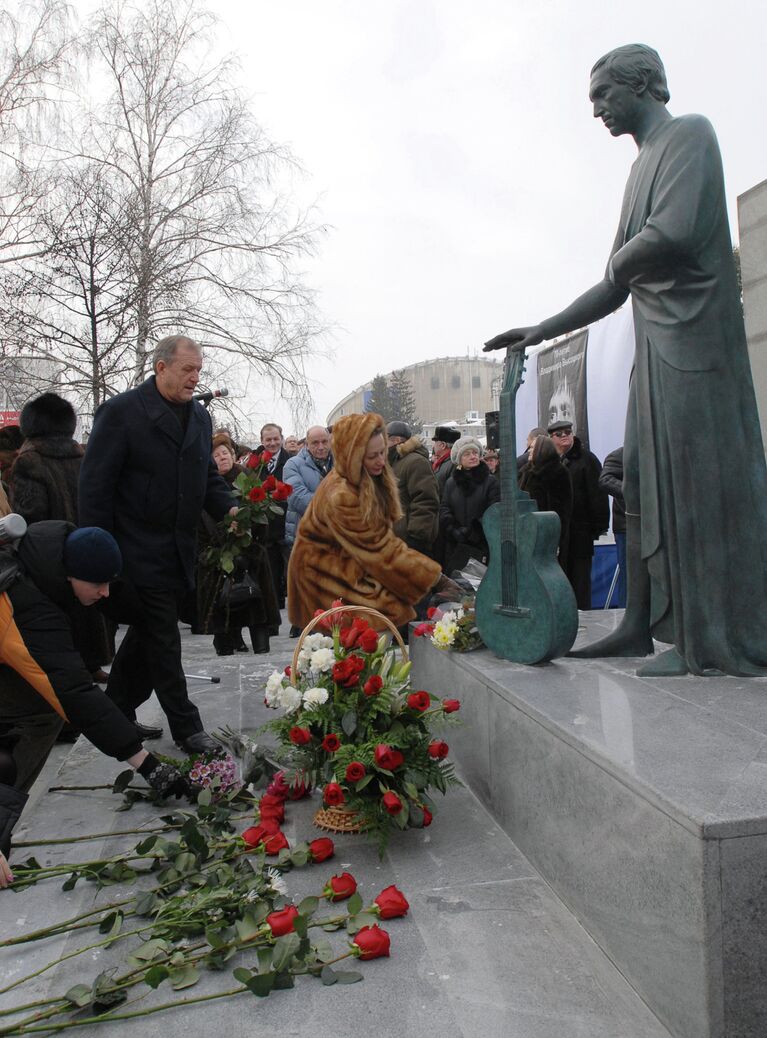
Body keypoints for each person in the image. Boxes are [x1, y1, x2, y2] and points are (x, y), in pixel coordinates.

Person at [486, 44, 767, 677]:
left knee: (694, 488)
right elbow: (615, 285)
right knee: (639, 487)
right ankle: (639, 625)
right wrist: (540, 328)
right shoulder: (636, 170)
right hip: (655, 354)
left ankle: (708, 641)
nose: (598, 112)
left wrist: (619, 262)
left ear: (642, 86)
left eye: (603, 96)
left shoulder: (691, 136)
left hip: (696, 353)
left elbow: (671, 234)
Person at [0, 522, 188, 887]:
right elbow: (72, 692)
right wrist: (146, 764)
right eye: (98, 584)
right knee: (40, 715)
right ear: (72, 574)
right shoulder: (26, 601)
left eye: (109, 583)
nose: (104, 593)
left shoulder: (45, 560)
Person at [78, 335, 236, 750]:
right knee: (164, 638)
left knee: (149, 636)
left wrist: (233, 510)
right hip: (132, 550)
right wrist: (98, 556)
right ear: (161, 367)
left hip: (179, 551)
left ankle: (114, 714)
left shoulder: (200, 419)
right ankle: (188, 728)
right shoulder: (122, 412)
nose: (195, 378)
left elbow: (206, 478)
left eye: (199, 370)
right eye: (187, 370)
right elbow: (95, 488)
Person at [287, 412, 457, 630]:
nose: (380, 461)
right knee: (375, 628)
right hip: (325, 578)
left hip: (348, 568)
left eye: (382, 453)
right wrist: (437, 579)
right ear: (354, 456)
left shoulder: (362, 477)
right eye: (372, 456)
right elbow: (379, 549)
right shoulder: (342, 494)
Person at [11, 392, 113, 684]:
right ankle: (92, 663)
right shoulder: (83, 456)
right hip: (89, 549)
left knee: (58, 622)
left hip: (51, 557)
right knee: (90, 610)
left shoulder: (28, 461)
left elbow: (29, 516)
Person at [196, 433, 279, 655]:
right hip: (217, 557)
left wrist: (248, 532)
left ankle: (260, 641)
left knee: (257, 606)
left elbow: (263, 522)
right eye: (216, 455)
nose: (222, 458)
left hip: (251, 555)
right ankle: (227, 641)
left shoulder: (249, 481)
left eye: (226, 453)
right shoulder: (203, 487)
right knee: (222, 608)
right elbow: (199, 527)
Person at [547, 419, 608, 609]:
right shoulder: (550, 461)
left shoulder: (586, 460)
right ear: (551, 438)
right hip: (557, 534)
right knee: (560, 580)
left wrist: (598, 527)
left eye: (567, 432)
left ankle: (583, 617)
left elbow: (598, 495)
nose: (564, 436)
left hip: (580, 531)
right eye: (559, 434)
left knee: (580, 581)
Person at [283, 426, 333, 637]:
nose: (321, 447)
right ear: (307, 443)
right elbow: (297, 497)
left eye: (324, 442)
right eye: (315, 443)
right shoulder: (293, 464)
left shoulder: (341, 462)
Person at [439, 436, 500, 574]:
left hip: (483, 545)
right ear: (459, 459)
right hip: (456, 546)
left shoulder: (490, 482)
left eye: (475, 453)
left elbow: (493, 511)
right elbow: (444, 509)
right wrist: (453, 529)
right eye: (467, 454)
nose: (472, 456)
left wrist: (474, 532)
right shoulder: (451, 483)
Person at [386, 421, 440, 557]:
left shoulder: (415, 462)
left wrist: (416, 538)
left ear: (396, 440)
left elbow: (426, 501)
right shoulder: (392, 464)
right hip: (394, 542)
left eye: (385, 439)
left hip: (410, 543)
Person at [519, 434, 573, 566]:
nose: (529, 451)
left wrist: (555, 538)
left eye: (532, 448)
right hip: (526, 531)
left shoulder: (558, 472)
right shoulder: (526, 471)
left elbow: (562, 509)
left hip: (546, 533)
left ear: (542, 450)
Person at [254, 423, 291, 609]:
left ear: (281, 439)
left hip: (286, 524)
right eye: (268, 440)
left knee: (290, 573)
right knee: (271, 572)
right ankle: (273, 615)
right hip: (266, 528)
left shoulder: (291, 461)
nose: (272, 443)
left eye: (276, 439)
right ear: (262, 441)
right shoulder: (255, 464)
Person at [599, 447, 626, 607]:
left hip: (656, 523)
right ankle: (627, 612)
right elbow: (605, 480)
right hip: (628, 525)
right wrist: (631, 491)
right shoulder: (620, 455)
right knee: (631, 577)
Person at [431, 425, 461, 496]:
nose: (433, 446)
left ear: (443, 445)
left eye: (435, 442)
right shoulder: (441, 462)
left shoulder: (454, 463)